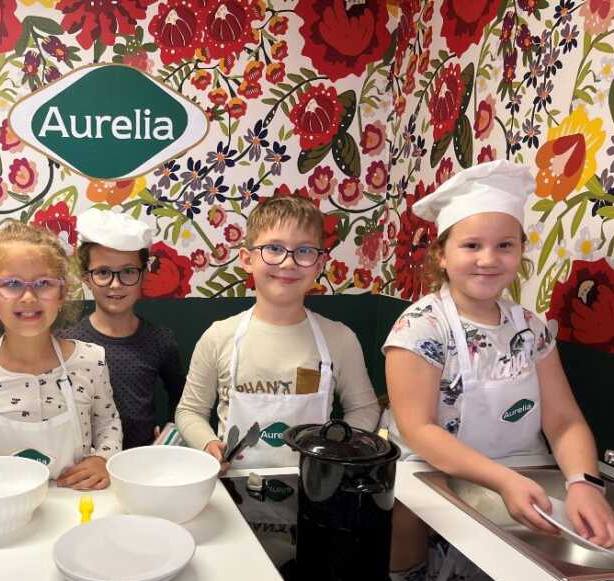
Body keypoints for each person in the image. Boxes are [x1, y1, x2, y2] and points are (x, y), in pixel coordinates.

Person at [384, 159, 614, 547]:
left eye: (505, 245)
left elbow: (564, 421)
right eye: (471, 245)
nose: (489, 259)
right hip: (431, 483)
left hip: (524, 478)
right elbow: (419, 430)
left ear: (521, 250)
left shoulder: (531, 328)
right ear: (441, 254)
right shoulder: (421, 327)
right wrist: (503, 481)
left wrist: (583, 482)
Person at [175, 195, 381, 471]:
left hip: (314, 486)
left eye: (304, 250)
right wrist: (207, 444)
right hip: (232, 486)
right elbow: (189, 411)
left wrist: (337, 447)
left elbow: (365, 409)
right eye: (274, 248)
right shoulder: (218, 336)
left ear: (319, 264)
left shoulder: (340, 339)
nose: (288, 263)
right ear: (247, 259)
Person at [0, 222, 121, 489]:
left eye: (44, 283)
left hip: (76, 499)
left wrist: (103, 459)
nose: (29, 297)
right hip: (0, 500)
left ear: (62, 293)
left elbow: (107, 422)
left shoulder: (90, 362)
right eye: (12, 284)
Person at [61, 208, 185, 449]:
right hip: (85, 463)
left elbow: (183, 399)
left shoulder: (160, 340)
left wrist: (170, 435)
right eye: (103, 272)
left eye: (128, 271)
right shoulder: (68, 343)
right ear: (86, 277)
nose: (116, 284)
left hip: (142, 460)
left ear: (143, 275)